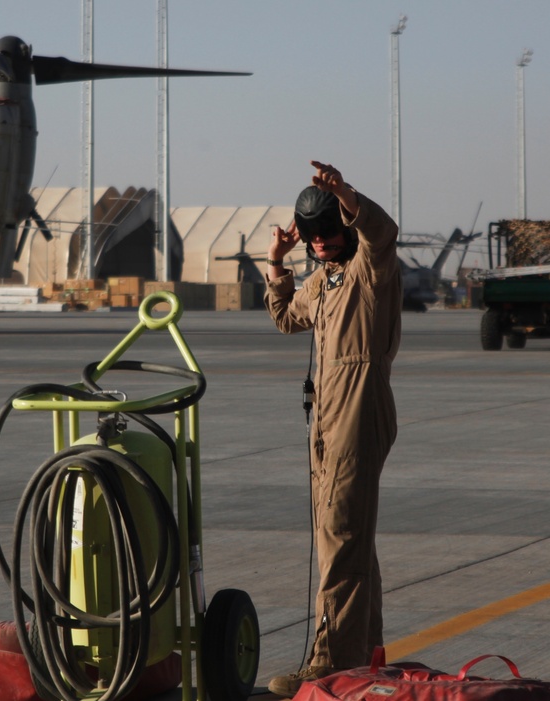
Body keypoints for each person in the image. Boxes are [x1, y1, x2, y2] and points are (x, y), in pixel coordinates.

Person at [263, 161, 402, 698]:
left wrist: (345, 193)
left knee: (340, 535)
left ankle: (331, 662)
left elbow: (382, 231)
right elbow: (285, 317)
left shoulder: (372, 267)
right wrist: (275, 264)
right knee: (348, 536)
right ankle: (366, 653)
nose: (321, 243)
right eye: (313, 235)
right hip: (326, 414)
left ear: (345, 227)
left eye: (330, 232)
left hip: (360, 404)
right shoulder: (323, 281)